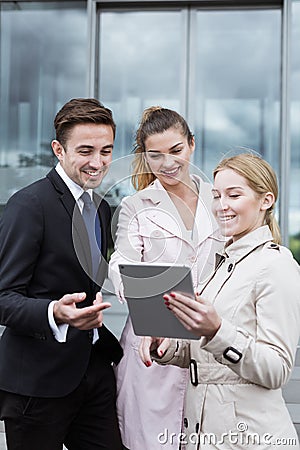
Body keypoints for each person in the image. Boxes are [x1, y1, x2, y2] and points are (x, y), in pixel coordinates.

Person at [140, 153, 300, 450]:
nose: (221, 205)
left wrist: (216, 331)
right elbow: (205, 355)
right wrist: (165, 344)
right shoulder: (223, 264)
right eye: (216, 195)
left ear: (266, 200)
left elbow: (276, 370)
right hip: (204, 435)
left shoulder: (277, 266)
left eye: (234, 195)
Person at [0, 98, 123, 450]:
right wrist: (55, 312)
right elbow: (3, 298)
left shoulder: (100, 209)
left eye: (106, 151)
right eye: (85, 151)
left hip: (93, 373)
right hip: (37, 385)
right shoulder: (28, 205)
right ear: (58, 149)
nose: (97, 162)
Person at [108, 106, 224, 450]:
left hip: (210, 344)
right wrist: (152, 308)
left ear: (191, 144)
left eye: (176, 151)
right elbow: (122, 264)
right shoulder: (136, 206)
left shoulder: (220, 200)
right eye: (155, 155)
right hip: (152, 343)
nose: (168, 163)